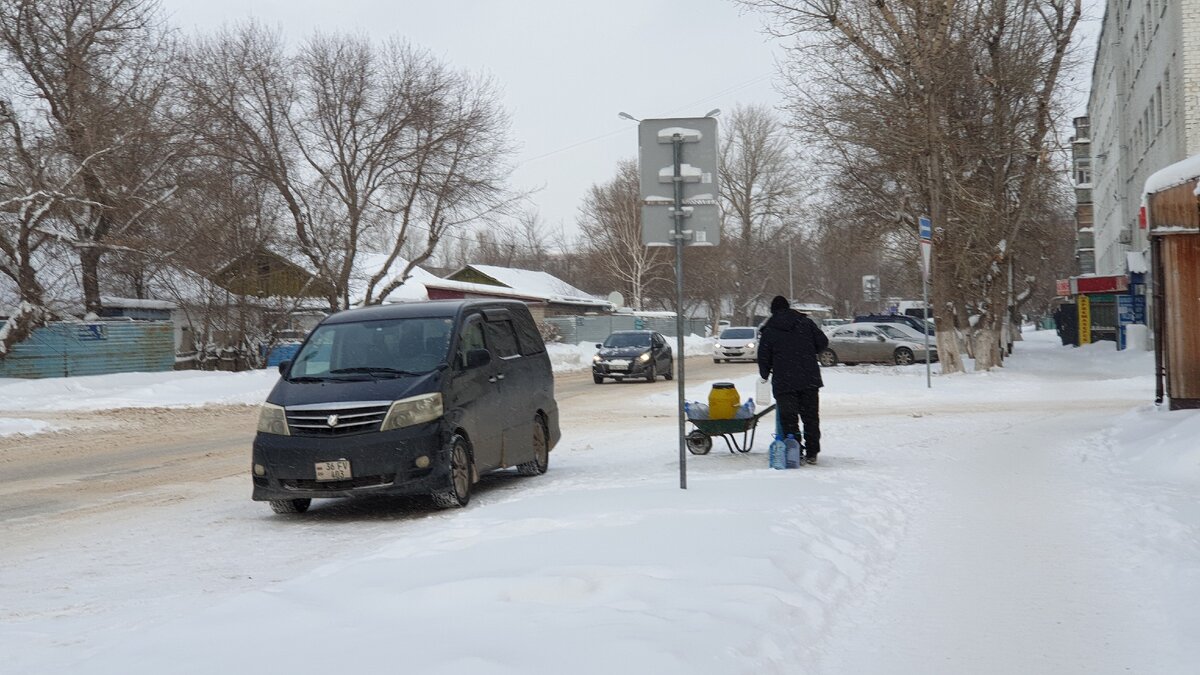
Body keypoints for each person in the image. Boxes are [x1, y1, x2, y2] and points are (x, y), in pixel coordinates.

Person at [757, 296, 829, 465]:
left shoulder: (769, 329)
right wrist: (810, 351)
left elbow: (763, 356)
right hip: (809, 379)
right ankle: (812, 453)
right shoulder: (805, 323)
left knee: (789, 419)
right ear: (788, 307)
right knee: (810, 417)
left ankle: (794, 452)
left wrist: (765, 374)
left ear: (772, 311)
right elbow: (823, 342)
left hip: (784, 381)